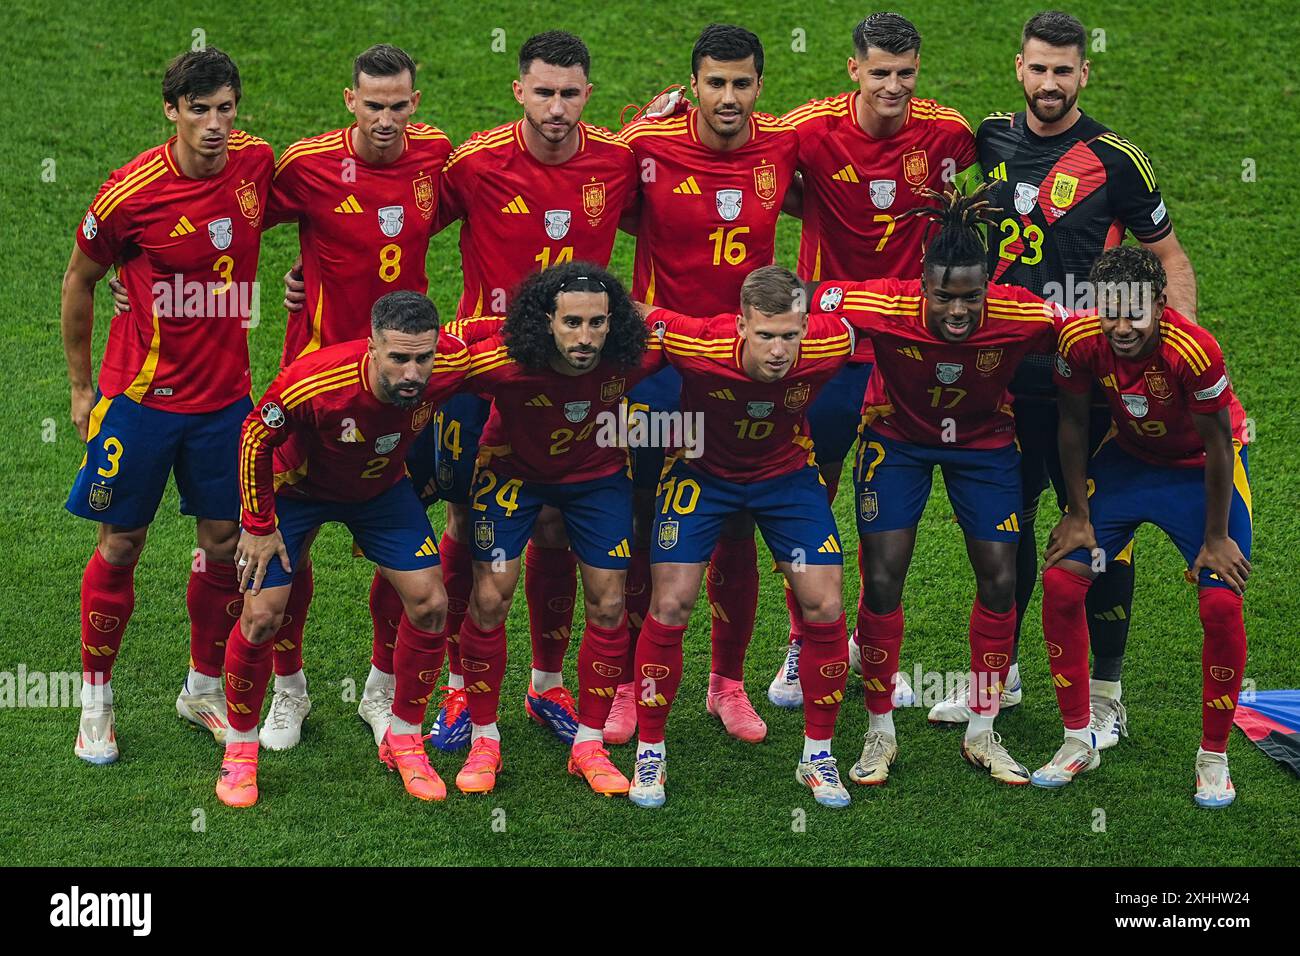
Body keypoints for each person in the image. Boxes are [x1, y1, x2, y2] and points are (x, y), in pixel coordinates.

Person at [944, 9, 1199, 737]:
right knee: (1007, 529)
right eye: (1039, 68)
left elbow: (1170, 259)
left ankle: (1108, 698)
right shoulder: (989, 139)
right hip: (1004, 381)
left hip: (1089, 387)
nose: (1050, 82)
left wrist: (1177, 350)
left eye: (1064, 70)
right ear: (1018, 68)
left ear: (1084, 73)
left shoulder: (1119, 160)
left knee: (1100, 535)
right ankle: (1003, 678)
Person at [422, 31, 639, 752]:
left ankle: (547, 684)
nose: (556, 107)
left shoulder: (616, 161)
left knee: (554, 526)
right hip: (481, 375)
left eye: (570, 93)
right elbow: (398, 227)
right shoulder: (476, 163)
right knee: (465, 532)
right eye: (543, 91)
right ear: (519, 90)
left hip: (577, 368)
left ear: (588, 94)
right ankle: (456, 688)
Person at [61, 48, 273, 763]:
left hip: (225, 405)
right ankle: (96, 699)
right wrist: (82, 388)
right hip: (140, 401)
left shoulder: (256, 164)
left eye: (225, 109)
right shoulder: (131, 193)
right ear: (171, 111)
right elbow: (80, 281)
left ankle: (201, 689)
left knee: (221, 545)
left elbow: (320, 216)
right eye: (199, 110)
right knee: (121, 544)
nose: (215, 125)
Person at [823, 186, 1068, 786]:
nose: (958, 312)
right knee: (882, 576)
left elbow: (1083, 336)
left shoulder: (1022, 312)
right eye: (944, 297)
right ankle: (880, 730)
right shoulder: (882, 303)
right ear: (922, 286)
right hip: (898, 438)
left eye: (970, 297)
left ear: (988, 287)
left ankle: (982, 729)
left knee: (1002, 576)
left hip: (983, 445)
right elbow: (811, 298)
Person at [769, 11, 978, 709]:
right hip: (827, 344)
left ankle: (873, 652)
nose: (893, 86)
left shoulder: (948, 133)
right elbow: (756, 167)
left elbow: (980, 192)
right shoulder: (809, 128)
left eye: (906, 73)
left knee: (886, 513)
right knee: (813, 495)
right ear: (853, 69)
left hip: (908, 347)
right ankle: (805, 642)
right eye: (880, 72)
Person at [257, 43, 452, 750]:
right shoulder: (309, 165)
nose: (387, 120)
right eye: (374, 106)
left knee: (404, 546)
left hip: (405, 389)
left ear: (415, 103)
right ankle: (289, 689)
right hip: (314, 391)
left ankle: (379, 685)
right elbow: (233, 219)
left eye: (400, 106)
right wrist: (132, 271)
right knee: (292, 554)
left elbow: (488, 202)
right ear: (350, 101)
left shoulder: (434, 155)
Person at [617, 23, 800, 747]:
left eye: (742, 83)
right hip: (657, 368)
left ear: (760, 85)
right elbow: (581, 184)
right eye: (715, 82)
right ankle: (630, 684)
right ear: (692, 83)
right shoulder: (647, 147)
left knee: (737, 520)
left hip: (739, 371)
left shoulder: (784, 144)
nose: (729, 97)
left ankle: (727, 685)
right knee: (638, 515)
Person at [217, 291, 468, 807]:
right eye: (398, 358)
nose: (413, 373)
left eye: (423, 358)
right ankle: (241, 751)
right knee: (261, 616)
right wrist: (259, 524)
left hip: (380, 492)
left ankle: (403, 734)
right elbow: (253, 436)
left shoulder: (449, 364)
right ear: (371, 348)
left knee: (430, 603)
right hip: (298, 492)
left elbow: (501, 336)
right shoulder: (316, 379)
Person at [629, 266, 855, 809]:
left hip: (786, 477)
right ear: (741, 326)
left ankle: (817, 754)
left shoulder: (834, 341)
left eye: (790, 335)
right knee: (673, 601)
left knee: (825, 604)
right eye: (766, 335)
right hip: (701, 474)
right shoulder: (693, 341)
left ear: (806, 326)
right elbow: (636, 310)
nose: (779, 351)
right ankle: (650, 749)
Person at [1034, 246, 1250, 808]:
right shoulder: (1079, 340)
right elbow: (1073, 423)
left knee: (1222, 605)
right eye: (1110, 310)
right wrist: (1078, 514)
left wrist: (1216, 537)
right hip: (1128, 464)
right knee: (1060, 583)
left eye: (1135, 311)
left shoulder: (1194, 350)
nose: (1122, 326)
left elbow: (1219, 444)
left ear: (1159, 303)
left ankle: (1212, 758)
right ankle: (1078, 738)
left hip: (1198, 474)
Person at [450, 263, 661, 797]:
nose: (584, 338)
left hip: (597, 480)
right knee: (490, 598)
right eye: (571, 323)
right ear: (546, 322)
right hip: (510, 476)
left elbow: (716, 338)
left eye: (596, 323)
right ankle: (484, 737)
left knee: (610, 605)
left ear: (615, 323)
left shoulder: (632, 356)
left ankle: (588, 744)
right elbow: (432, 356)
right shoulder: (502, 361)